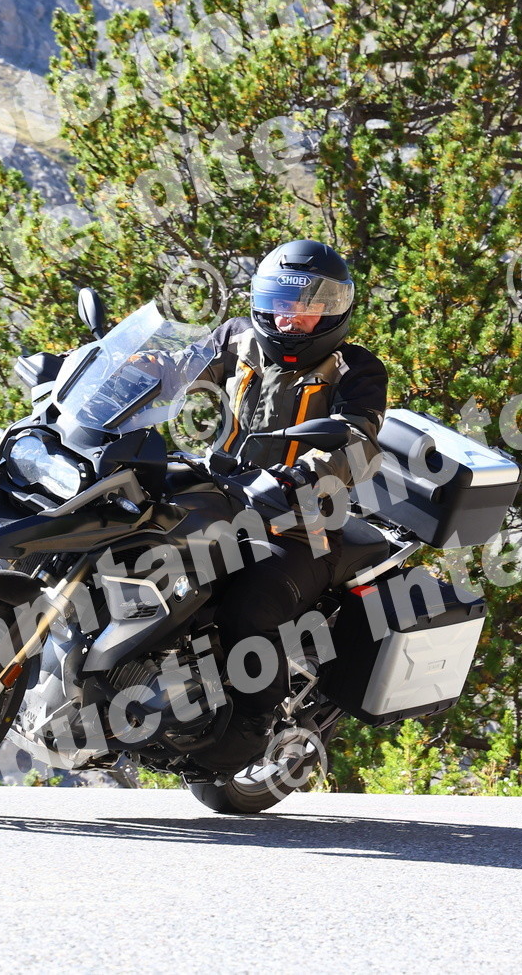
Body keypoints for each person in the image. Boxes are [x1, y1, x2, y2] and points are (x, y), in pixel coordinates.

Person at [192, 238, 389, 718]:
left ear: (334, 310)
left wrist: (301, 476)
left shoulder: (356, 369)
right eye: (281, 302)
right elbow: (181, 368)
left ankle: (254, 725)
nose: (289, 318)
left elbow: (357, 442)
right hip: (221, 495)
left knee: (249, 611)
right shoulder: (238, 338)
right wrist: (122, 374)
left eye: (308, 306)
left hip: (301, 524)